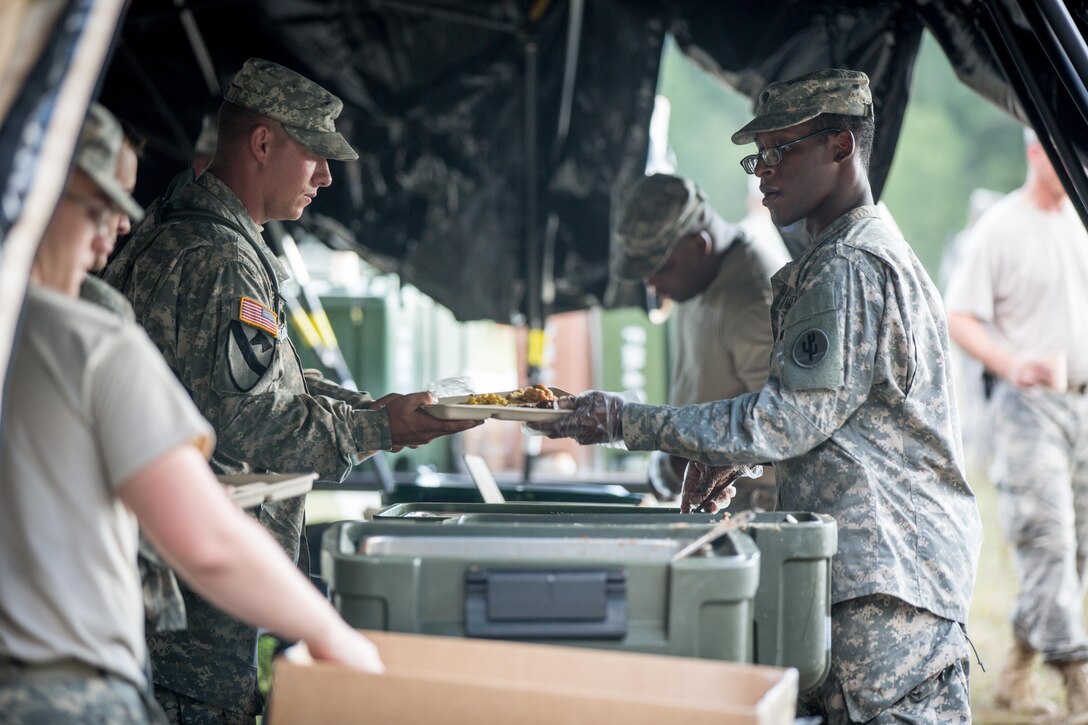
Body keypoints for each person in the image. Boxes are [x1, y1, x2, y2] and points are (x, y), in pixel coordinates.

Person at [534, 69, 982, 723]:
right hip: (890, 575)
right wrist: (731, 456)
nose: (764, 171)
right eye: (757, 155)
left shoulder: (847, 267)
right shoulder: (850, 254)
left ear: (840, 147)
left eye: (781, 150)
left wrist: (623, 420)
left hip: (889, 586)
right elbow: (828, 414)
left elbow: (784, 420)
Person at [104, 58, 479, 722]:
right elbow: (250, 421)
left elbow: (254, 381)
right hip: (190, 634)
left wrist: (373, 408)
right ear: (263, 143)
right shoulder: (219, 259)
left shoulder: (190, 232)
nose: (328, 176)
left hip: (171, 610)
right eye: (315, 154)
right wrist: (383, 430)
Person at [0, 102, 383, 724]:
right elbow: (208, 540)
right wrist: (335, 637)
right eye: (99, 206)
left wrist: (370, 411)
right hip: (63, 688)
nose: (119, 231)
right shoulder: (90, 339)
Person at [945, 128, 1088, 721]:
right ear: (1037, 151)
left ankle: (1014, 674)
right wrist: (1009, 362)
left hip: (1083, 405)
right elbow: (959, 315)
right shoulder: (1000, 227)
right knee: (1048, 543)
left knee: (1075, 553)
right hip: (1027, 409)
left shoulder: (1081, 216)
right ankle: (1080, 682)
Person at [615, 173, 788, 508]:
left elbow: (778, 429)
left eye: (661, 268)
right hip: (697, 492)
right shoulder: (695, 278)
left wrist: (675, 463)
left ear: (699, 245)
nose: (652, 283)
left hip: (749, 507)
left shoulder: (752, 303)